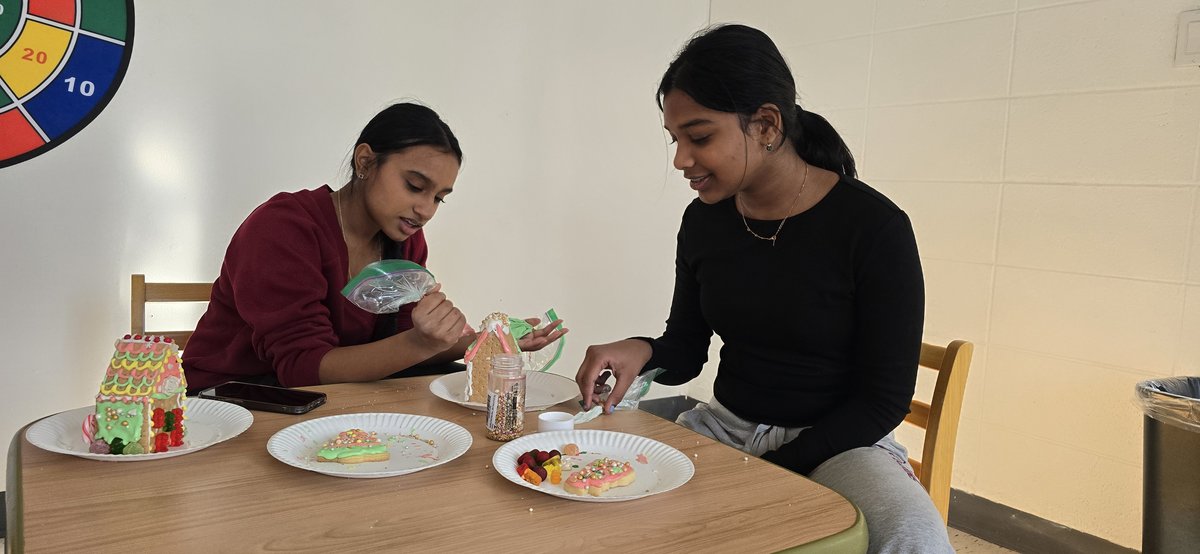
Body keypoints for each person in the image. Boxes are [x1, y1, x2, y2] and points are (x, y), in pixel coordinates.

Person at [574, 25, 947, 553]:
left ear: (767, 124)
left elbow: (883, 400)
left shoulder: (874, 227)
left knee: (914, 539)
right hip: (724, 430)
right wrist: (643, 350)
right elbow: (685, 347)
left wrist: (776, 469)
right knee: (600, 504)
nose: (681, 159)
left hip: (842, 443)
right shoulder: (705, 221)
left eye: (699, 137)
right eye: (675, 139)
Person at [184, 102, 565, 393]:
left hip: (335, 397)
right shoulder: (283, 228)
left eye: (439, 198)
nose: (426, 210)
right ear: (365, 161)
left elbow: (395, 348)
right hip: (237, 399)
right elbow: (302, 369)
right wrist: (418, 342)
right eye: (415, 186)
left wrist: (490, 340)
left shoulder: (404, 239)